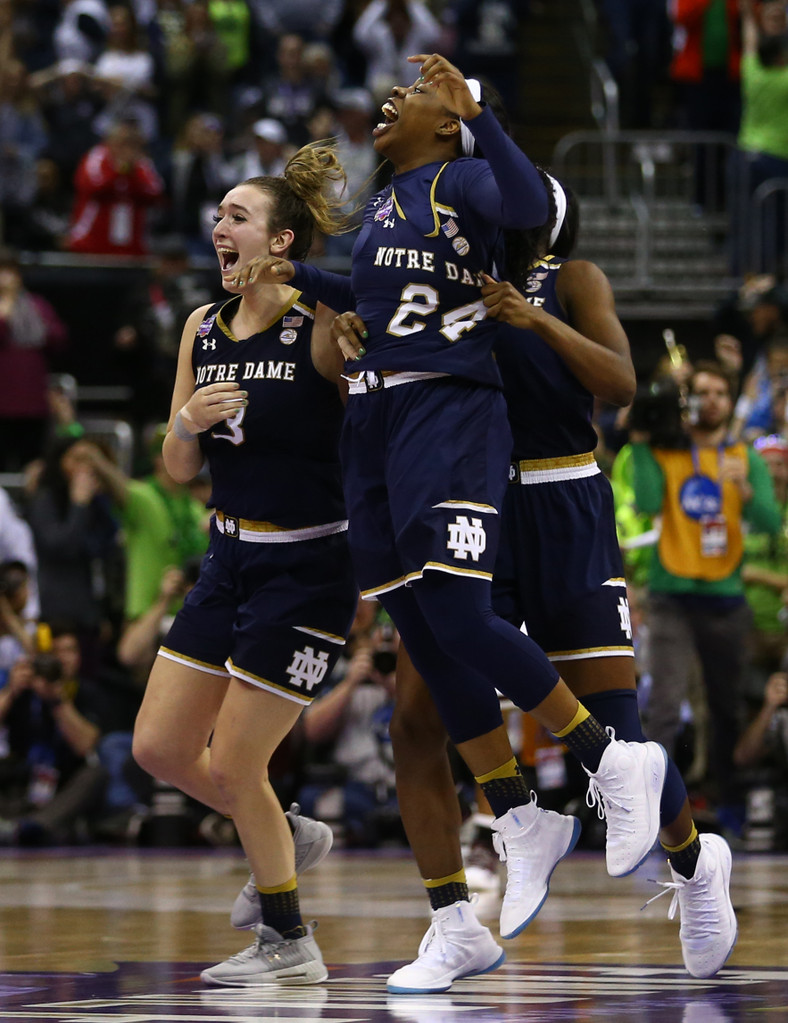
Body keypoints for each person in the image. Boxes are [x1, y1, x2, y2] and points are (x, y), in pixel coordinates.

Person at [231, 51, 669, 965]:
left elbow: (531, 201)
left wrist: (477, 115)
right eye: (395, 91)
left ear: (448, 123)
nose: (394, 97)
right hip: (380, 420)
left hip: (449, 414)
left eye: (417, 94)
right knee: (422, 624)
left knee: (461, 614)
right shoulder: (388, 201)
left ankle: (608, 758)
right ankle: (516, 814)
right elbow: (377, 299)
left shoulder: (467, 179)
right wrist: (298, 276)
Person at [328, 171, 739, 989]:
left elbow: (620, 384)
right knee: (417, 717)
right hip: (467, 498)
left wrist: (534, 318)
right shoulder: (440, 279)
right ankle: (458, 910)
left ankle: (696, 865)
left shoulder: (571, 278)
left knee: (617, 731)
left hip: (563, 499)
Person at [131, 141, 359, 986]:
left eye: (237, 215)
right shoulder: (202, 327)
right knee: (158, 747)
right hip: (227, 558)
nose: (217, 227)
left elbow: (378, 337)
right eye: (218, 215)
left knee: (235, 763)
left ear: (281, 241)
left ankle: (289, 939)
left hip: (308, 566)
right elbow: (177, 468)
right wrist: (185, 422)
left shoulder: (322, 324)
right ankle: (283, 832)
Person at [631, 360, 783, 835]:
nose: (712, 401)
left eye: (721, 392)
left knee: (726, 707)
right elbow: (647, 502)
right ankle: (654, 813)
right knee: (664, 707)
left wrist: (746, 489)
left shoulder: (743, 455)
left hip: (726, 598)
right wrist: (641, 442)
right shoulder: (666, 450)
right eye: (703, 392)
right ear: (689, 400)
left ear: (730, 400)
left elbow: (769, 523)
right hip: (671, 595)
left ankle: (729, 800)